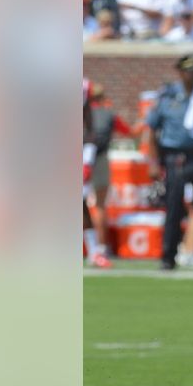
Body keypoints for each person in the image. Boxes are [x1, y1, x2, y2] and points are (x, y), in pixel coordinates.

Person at [144, 53, 193, 271]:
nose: (192, 74)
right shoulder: (168, 97)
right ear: (180, 72)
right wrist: (152, 162)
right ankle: (167, 256)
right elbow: (151, 130)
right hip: (174, 157)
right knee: (173, 208)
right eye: (188, 70)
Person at [84, 82, 137, 268]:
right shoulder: (107, 114)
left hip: (86, 158)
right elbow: (130, 132)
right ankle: (99, 248)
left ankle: (94, 250)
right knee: (98, 207)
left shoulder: (88, 113)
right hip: (97, 160)